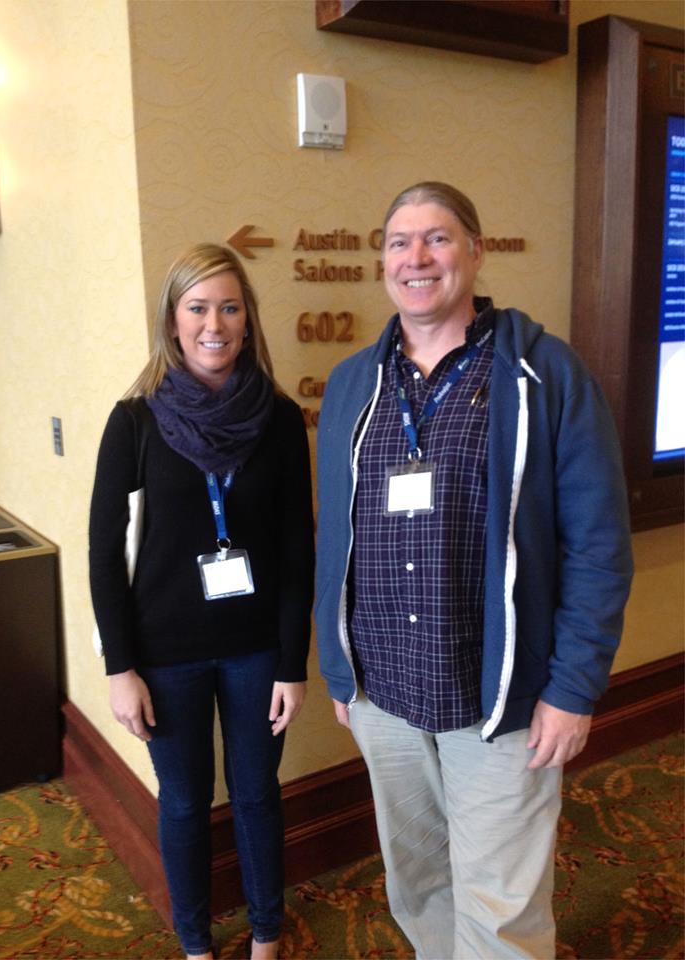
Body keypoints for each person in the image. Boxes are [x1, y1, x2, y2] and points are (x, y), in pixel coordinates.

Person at [315, 182, 633, 959]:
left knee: (501, 907)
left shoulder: (544, 374)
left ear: (476, 251)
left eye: (438, 238)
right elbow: (336, 532)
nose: (415, 257)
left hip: (498, 697)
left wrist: (571, 687)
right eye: (398, 242)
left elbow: (598, 544)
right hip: (383, 690)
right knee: (419, 880)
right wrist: (337, 667)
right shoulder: (356, 381)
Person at [89, 243, 314, 960]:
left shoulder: (278, 420)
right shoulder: (135, 421)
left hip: (256, 652)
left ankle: (266, 935)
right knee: (185, 803)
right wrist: (120, 668)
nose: (213, 323)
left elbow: (295, 550)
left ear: (248, 321)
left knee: (256, 797)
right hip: (165, 655)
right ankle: (194, 943)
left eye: (229, 307)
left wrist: (291, 663)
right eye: (197, 308)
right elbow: (103, 551)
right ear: (173, 320)